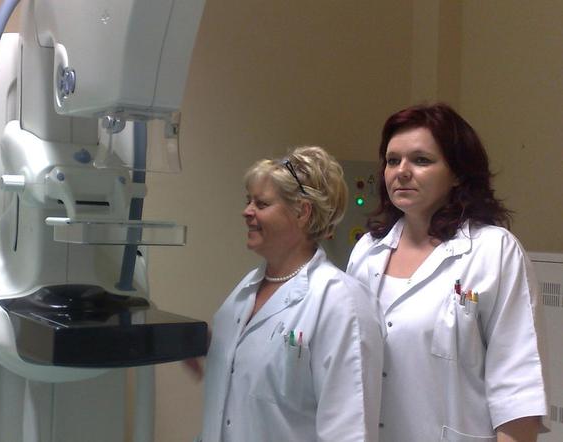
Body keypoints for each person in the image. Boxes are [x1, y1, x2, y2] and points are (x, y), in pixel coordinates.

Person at [347, 103, 548, 442]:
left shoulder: (493, 251)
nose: (402, 171)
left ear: (457, 173)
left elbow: (518, 390)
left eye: (421, 160)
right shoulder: (367, 251)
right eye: (393, 160)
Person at [198, 146, 384, 442]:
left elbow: (348, 430)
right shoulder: (244, 293)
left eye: (261, 204)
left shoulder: (340, 302)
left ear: (302, 212)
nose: (247, 212)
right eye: (248, 201)